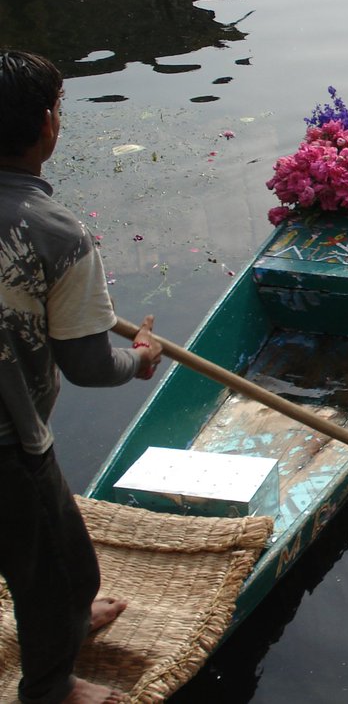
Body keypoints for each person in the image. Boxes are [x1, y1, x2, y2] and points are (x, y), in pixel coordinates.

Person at [0, 50, 163, 704]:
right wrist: (141, 359)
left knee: (46, 553)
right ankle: (49, 685)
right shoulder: (55, 233)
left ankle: (66, 621)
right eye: (59, 109)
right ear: (46, 125)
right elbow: (89, 365)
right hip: (8, 441)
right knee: (55, 571)